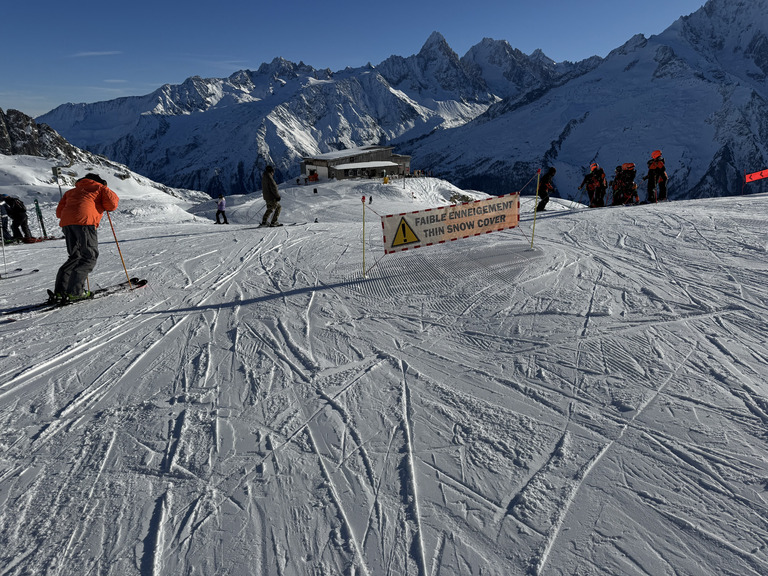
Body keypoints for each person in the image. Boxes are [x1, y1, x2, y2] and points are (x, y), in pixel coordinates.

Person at [51, 173, 119, 302]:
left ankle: (60, 291)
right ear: (99, 181)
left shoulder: (71, 192)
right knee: (89, 256)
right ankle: (76, 292)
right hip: (85, 223)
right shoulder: (101, 188)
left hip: (67, 223)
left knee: (75, 256)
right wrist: (105, 189)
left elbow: (59, 213)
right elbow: (112, 205)